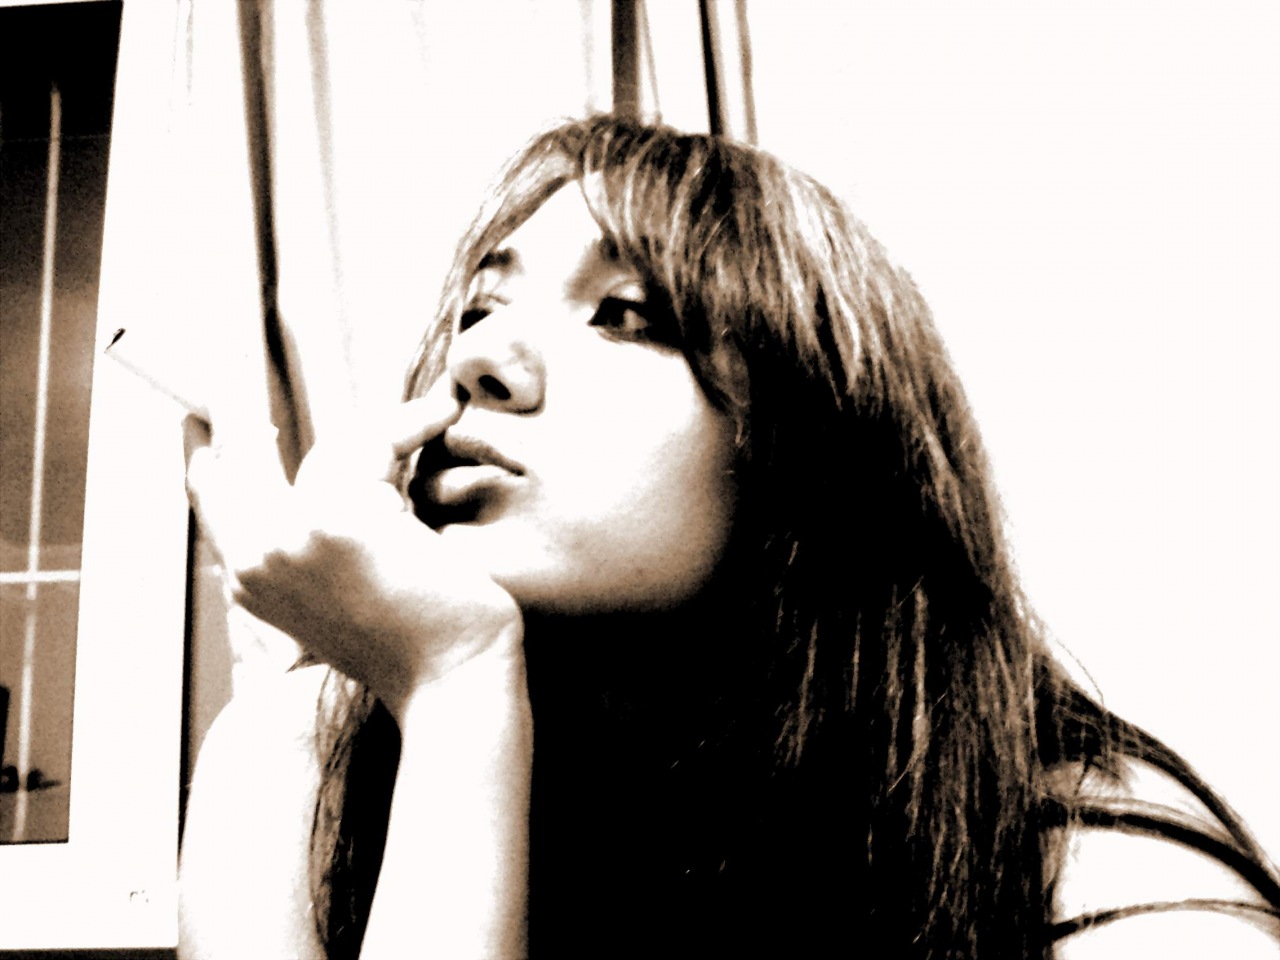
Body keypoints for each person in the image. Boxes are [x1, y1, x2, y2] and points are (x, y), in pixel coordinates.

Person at [177, 115, 1280, 959]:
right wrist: (455, 694)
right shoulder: (296, 767)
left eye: (624, 315)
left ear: (810, 441)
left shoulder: (1091, 866)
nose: (480, 362)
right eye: (479, 310)